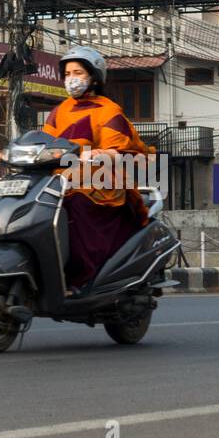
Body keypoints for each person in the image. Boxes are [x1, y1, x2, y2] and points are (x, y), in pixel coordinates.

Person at [37, 46, 150, 291]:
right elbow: (45, 142)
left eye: (77, 72)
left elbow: (117, 148)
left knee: (74, 207)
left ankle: (81, 277)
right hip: (63, 182)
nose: (71, 79)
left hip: (100, 184)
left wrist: (98, 154)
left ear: (94, 77)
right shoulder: (60, 111)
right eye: (67, 74)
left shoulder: (109, 110)